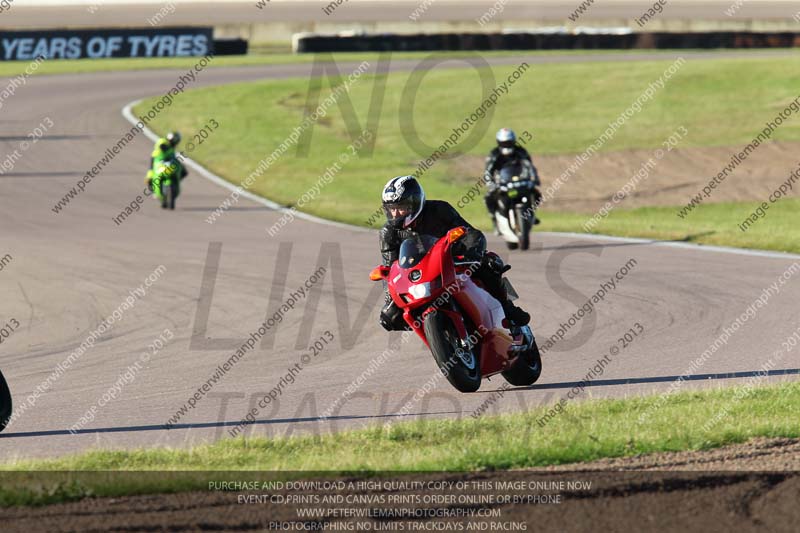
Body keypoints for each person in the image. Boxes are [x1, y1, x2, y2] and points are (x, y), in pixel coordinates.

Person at [378, 175, 530, 332]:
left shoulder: (439, 210)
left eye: (400, 207)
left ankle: (508, 308)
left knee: (490, 263)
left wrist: (473, 253)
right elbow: (391, 270)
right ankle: (442, 337)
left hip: (454, 260)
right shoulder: (388, 233)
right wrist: (391, 301)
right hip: (421, 277)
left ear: (414, 203)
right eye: (391, 208)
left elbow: (469, 232)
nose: (395, 214)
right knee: (392, 317)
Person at [483, 128, 542, 229]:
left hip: (520, 181)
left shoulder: (521, 152)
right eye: (504, 143)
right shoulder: (494, 154)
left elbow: (529, 166)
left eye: (509, 143)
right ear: (499, 142)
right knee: (489, 198)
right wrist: (490, 183)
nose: (507, 146)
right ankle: (494, 219)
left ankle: (531, 213)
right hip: (501, 182)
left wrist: (534, 178)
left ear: (513, 141)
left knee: (536, 194)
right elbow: (488, 171)